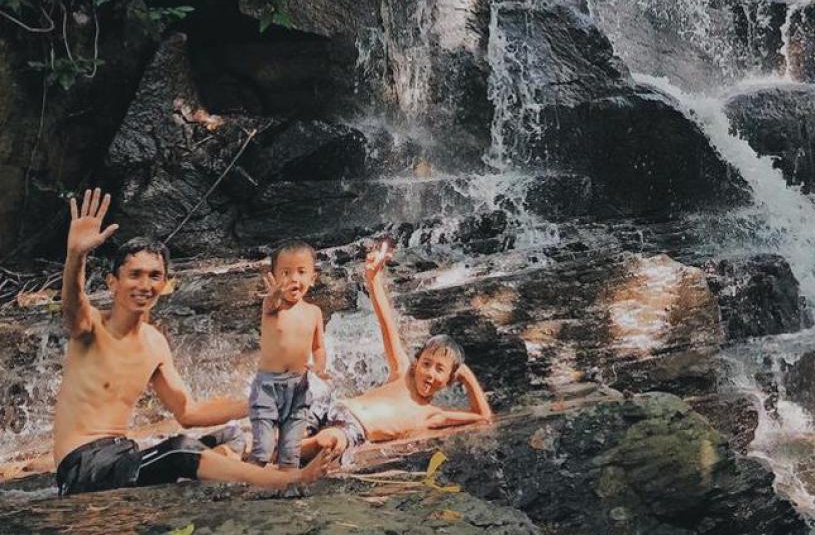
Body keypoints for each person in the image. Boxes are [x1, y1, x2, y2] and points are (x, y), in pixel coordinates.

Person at [52, 189, 334, 495]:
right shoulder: (91, 327)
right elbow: (73, 303)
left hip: (123, 457)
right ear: (113, 282)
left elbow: (188, 413)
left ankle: (232, 476)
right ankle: (290, 479)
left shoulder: (154, 343)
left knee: (232, 436)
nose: (144, 285)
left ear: (164, 284)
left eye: (154, 276)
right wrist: (76, 256)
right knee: (179, 450)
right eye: (135, 275)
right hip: (84, 467)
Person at [302, 240, 492, 461]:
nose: (430, 373)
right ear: (416, 363)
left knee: (327, 442)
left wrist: (466, 375)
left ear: (449, 379)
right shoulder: (402, 372)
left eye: (440, 369)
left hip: (351, 429)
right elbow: (386, 323)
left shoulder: (432, 416)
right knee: (306, 384)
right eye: (426, 363)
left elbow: (483, 416)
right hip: (334, 406)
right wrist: (373, 278)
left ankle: (283, 452)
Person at [248, 240, 328, 471]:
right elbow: (270, 301)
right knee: (263, 449)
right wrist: (274, 294)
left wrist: (319, 367)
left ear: (313, 278)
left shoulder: (314, 312)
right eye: (285, 273)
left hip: (299, 388)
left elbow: (318, 347)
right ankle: (248, 482)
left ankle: (288, 484)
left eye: (301, 272)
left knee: (291, 451)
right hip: (268, 387)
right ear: (273, 277)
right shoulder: (272, 307)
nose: (294, 279)